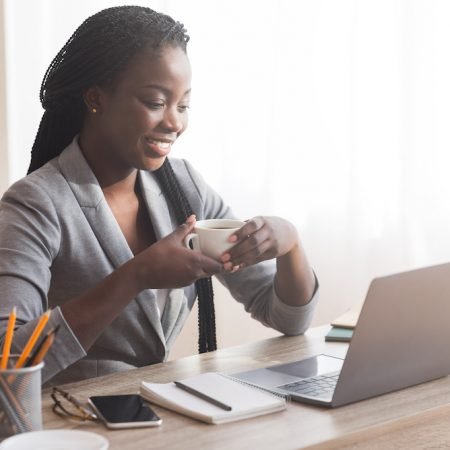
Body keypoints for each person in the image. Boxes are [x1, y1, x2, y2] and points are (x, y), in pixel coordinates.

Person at [0, 6, 318, 386]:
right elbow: (9, 357)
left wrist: (290, 242)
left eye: (183, 105)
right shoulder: (35, 205)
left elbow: (287, 317)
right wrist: (137, 275)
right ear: (96, 99)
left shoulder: (184, 187)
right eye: (156, 102)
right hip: (70, 424)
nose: (175, 123)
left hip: (161, 418)